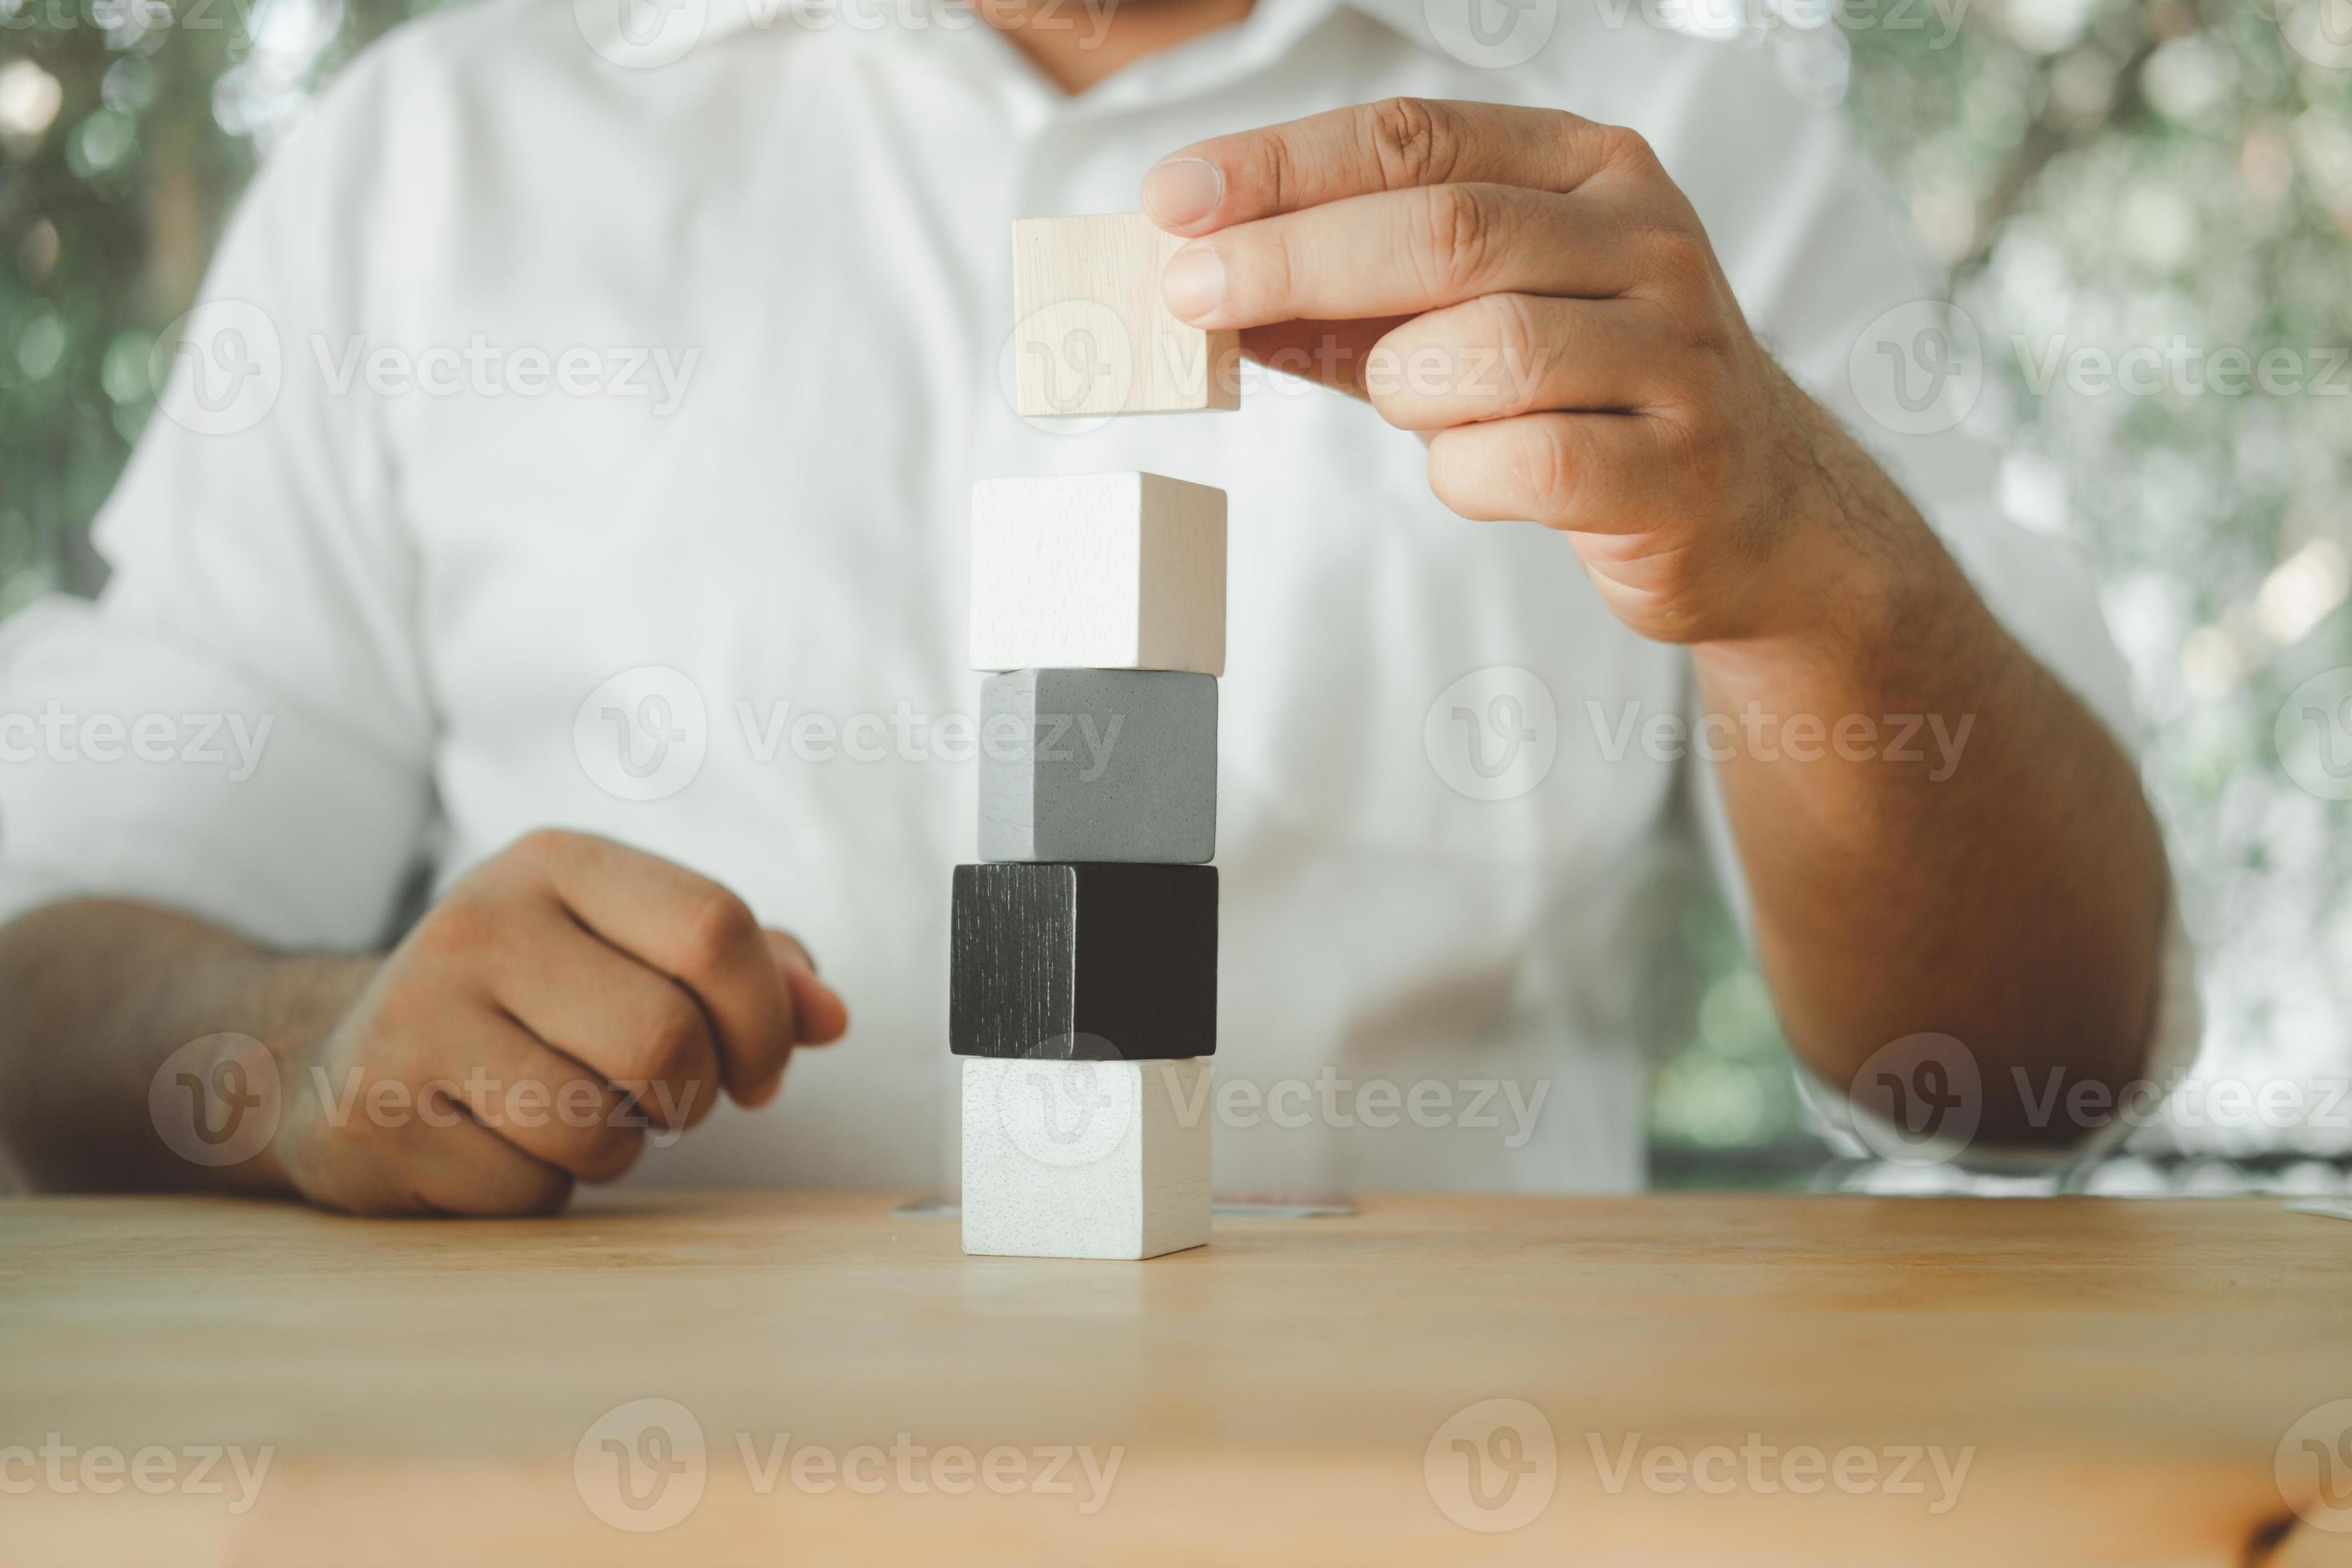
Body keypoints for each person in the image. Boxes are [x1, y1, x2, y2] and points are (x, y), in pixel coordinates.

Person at [0, 0, 2194, 1213]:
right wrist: (291, 1048)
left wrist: (1821, 581)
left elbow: (2033, 1078)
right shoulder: (436, 147)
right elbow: (53, 952)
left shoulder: (1680, 139)